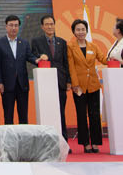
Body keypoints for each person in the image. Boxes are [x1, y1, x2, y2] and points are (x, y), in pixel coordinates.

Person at [66, 18, 105, 152]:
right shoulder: (70, 47)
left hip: (93, 85)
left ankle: (95, 142)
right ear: (74, 32)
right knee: (81, 115)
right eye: (78, 30)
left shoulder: (93, 46)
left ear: (87, 31)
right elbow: (71, 67)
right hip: (79, 87)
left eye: (83, 29)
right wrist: (75, 84)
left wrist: (114, 58)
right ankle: (85, 143)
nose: (81, 32)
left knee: (95, 114)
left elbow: (102, 58)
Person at [29, 14, 71, 130]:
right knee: (47, 111)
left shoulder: (62, 42)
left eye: (51, 24)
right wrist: (40, 57)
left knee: (61, 111)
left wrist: (68, 81)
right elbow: (34, 57)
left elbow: (66, 62)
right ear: (42, 27)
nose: (49, 27)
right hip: (45, 82)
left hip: (61, 81)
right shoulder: (36, 41)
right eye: (47, 24)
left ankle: (63, 138)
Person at [0, 15, 31, 125]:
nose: (13, 28)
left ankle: (24, 136)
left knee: (23, 115)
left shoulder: (24, 43)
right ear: (6, 26)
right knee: (8, 115)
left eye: (16, 25)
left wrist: (39, 59)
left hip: (22, 84)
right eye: (11, 25)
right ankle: (9, 136)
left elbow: (30, 57)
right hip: (7, 85)